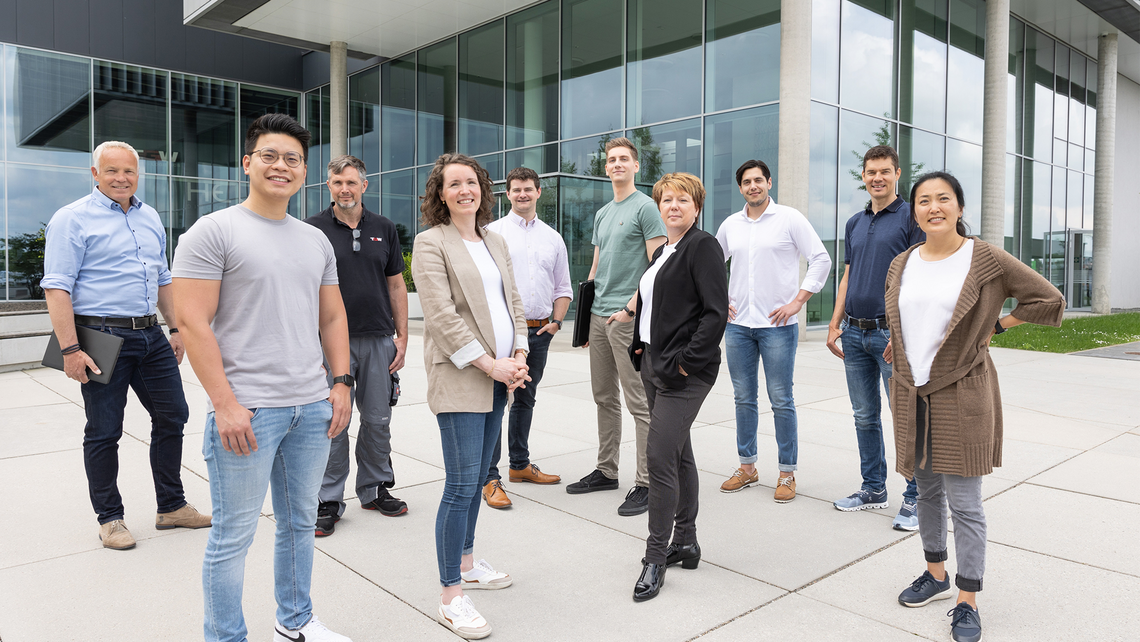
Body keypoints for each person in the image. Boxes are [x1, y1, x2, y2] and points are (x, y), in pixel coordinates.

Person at [173, 114, 354, 642]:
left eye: (292, 159)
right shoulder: (213, 231)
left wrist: (340, 383)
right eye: (270, 156)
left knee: (300, 524)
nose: (282, 166)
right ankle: (225, 636)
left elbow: (332, 317)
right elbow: (192, 321)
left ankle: (295, 621)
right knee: (233, 536)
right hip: (247, 411)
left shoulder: (315, 240)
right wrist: (225, 403)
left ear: (304, 172)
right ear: (247, 163)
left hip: (310, 407)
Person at [884, 172, 1063, 642]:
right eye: (924, 201)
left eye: (944, 199)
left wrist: (998, 326)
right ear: (915, 211)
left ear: (960, 208)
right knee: (924, 493)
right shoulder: (902, 262)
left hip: (962, 394)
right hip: (911, 393)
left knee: (964, 503)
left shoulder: (983, 257)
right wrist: (898, 349)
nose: (933, 207)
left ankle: (967, 599)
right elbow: (904, 320)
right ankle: (936, 575)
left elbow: (1047, 297)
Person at [41, 140, 210, 551]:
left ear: (139, 174)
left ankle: (171, 506)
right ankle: (110, 519)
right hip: (99, 335)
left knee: (174, 415)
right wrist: (69, 349)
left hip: (150, 334)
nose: (121, 178)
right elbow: (57, 288)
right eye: (112, 171)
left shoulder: (149, 215)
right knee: (104, 430)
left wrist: (176, 330)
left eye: (129, 171)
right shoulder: (72, 219)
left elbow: (164, 278)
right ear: (95, 174)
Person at [411, 153, 532, 640]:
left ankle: (466, 562)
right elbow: (440, 315)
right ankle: (450, 594)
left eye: (471, 182)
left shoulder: (495, 240)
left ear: (483, 188)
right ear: (440, 194)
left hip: (501, 376)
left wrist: (520, 351)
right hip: (464, 376)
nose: (465, 190)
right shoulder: (429, 242)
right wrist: (490, 363)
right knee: (460, 487)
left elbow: (515, 303)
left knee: (480, 477)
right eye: (453, 184)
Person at [628, 173, 728, 602]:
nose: (673, 206)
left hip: (685, 373)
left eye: (682, 200)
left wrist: (687, 362)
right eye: (666, 199)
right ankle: (685, 541)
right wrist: (639, 348)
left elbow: (715, 313)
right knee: (678, 452)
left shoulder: (702, 246)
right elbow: (652, 307)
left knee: (658, 455)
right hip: (654, 365)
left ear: (696, 206)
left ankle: (655, 556)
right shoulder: (662, 251)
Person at [715, 160, 832, 502]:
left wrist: (799, 300)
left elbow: (821, 258)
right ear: (741, 188)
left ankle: (786, 472)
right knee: (743, 398)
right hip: (738, 327)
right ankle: (747, 467)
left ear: (769, 183)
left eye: (758, 180)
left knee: (781, 399)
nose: (753, 186)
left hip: (777, 327)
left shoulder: (790, 219)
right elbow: (709, 264)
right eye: (747, 182)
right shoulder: (731, 225)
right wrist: (720, 298)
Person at [307, 155, 410, 536]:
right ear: (329, 185)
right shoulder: (312, 229)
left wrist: (402, 336)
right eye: (337, 182)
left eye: (351, 182)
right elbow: (303, 289)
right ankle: (328, 500)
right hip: (329, 344)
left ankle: (375, 488)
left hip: (379, 339)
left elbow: (396, 284)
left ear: (364, 185)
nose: (344, 189)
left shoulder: (384, 227)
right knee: (333, 422)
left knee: (379, 419)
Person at [568, 137, 667, 518]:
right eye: (611, 160)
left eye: (624, 159)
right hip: (598, 318)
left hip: (628, 318)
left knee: (639, 402)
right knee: (603, 398)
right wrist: (585, 321)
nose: (617, 164)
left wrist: (630, 310)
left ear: (636, 166)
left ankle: (646, 481)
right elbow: (595, 269)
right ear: (605, 167)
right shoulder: (603, 212)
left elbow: (657, 269)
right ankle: (607, 470)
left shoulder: (646, 208)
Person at [826, 145, 923, 530]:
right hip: (854, 332)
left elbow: (919, 279)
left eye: (884, 171)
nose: (877, 178)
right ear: (863, 176)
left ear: (897, 173)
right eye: (871, 172)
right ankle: (873, 489)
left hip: (889, 335)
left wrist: (902, 333)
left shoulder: (910, 219)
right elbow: (848, 276)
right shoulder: (854, 222)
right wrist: (834, 323)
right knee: (864, 416)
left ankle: (916, 496)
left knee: (904, 418)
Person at [480, 166, 572, 509]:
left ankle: (519, 465)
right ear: (508, 194)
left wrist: (557, 322)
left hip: (540, 332)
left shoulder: (553, 237)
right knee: (495, 403)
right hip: (502, 333)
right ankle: (490, 478)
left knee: (526, 399)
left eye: (528, 189)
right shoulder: (491, 233)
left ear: (538, 192)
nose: (522, 194)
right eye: (516, 189)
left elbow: (563, 287)